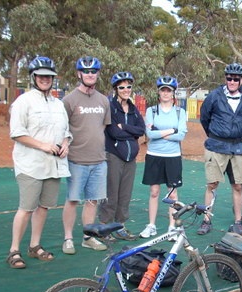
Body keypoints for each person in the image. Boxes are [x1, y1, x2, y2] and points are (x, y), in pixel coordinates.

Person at [7, 56, 72, 268]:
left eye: (49, 76)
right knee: (26, 207)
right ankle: (14, 250)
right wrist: (43, 145)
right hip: (31, 164)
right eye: (41, 76)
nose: (45, 79)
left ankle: (35, 246)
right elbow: (17, 133)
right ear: (33, 77)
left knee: (44, 207)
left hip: (53, 165)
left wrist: (65, 144)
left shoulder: (58, 104)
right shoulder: (23, 102)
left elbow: (66, 132)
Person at [198, 63, 242, 236]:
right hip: (216, 145)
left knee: (238, 186)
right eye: (229, 78)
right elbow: (204, 117)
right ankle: (206, 220)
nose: (232, 81)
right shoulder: (214, 96)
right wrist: (215, 134)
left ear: (241, 80)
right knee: (212, 184)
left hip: (238, 147)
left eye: (235, 78)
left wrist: (240, 135)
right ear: (225, 79)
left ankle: (238, 222)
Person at [61, 56, 111, 254]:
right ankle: (68, 239)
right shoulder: (69, 100)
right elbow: (62, 128)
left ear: (97, 74)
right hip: (76, 160)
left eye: (93, 71)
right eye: (86, 71)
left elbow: (103, 126)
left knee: (93, 201)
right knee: (73, 200)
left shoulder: (103, 100)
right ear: (78, 74)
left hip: (99, 160)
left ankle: (87, 238)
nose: (90, 75)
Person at [98, 72, 145, 240]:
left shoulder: (132, 108)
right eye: (122, 87)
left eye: (128, 87)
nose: (126, 90)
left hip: (130, 158)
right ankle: (105, 226)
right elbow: (114, 132)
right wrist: (129, 133)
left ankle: (120, 225)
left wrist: (124, 126)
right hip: (114, 155)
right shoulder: (110, 107)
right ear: (116, 89)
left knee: (125, 194)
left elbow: (141, 129)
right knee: (111, 192)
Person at [140, 76, 187, 239]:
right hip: (154, 155)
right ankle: (151, 225)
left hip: (173, 156)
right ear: (159, 92)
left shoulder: (181, 112)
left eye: (169, 90)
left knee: (172, 194)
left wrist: (160, 133)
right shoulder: (151, 110)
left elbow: (181, 135)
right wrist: (170, 131)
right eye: (163, 90)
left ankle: (172, 228)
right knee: (154, 191)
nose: (166, 93)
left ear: (173, 93)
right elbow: (149, 134)